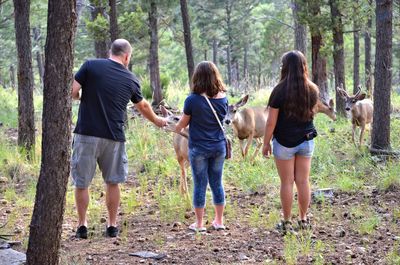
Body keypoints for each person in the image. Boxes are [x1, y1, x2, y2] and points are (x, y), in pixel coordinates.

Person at [71, 39, 167, 238]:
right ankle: (112, 226)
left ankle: (82, 226)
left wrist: (81, 97)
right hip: (114, 137)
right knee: (113, 182)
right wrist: (158, 121)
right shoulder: (131, 79)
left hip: (86, 133)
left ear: (110, 52)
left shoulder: (90, 65)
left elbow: (73, 90)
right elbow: (143, 107)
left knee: (82, 183)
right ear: (127, 56)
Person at [262, 50, 319, 233]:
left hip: (285, 142)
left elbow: (271, 122)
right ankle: (303, 220)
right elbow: (312, 113)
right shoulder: (312, 89)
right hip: (306, 140)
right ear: (304, 66)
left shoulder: (279, 90)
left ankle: (287, 223)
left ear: (285, 67)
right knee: (303, 181)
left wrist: (265, 143)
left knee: (287, 182)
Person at [174, 61, 228, 232]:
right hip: (219, 147)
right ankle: (219, 221)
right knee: (217, 183)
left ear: (197, 77)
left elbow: (182, 123)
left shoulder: (192, 100)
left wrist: (173, 127)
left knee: (199, 185)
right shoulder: (223, 98)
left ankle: (199, 224)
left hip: (198, 148)